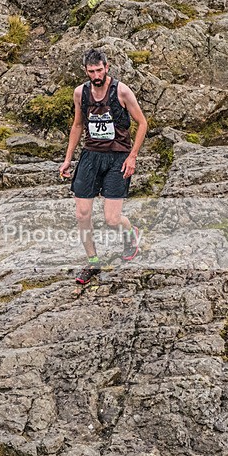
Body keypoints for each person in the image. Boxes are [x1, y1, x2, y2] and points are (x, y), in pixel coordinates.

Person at [59, 49, 148, 286]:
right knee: (82, 214)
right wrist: (68, 158)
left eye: (100, 70)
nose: (96, 75)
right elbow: (78, 125)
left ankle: (131, 235)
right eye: (91, 71)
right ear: (86, 71)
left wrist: (133, 157)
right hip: (91, 156)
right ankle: (93, 260)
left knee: (112, 219)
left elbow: (142, 123)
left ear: (107, 67)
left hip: (118, 157)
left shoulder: (121, 91)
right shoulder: (81, 93)